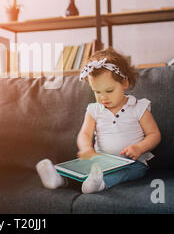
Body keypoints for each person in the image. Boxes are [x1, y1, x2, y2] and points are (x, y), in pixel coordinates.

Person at [36, 47, 161, 194]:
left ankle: (100, 183)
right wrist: (86, 148)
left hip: (132, 163)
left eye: (109, 91)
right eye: (97, 92)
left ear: (124, 83)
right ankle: (59, 179)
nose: (103, 97)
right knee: (84, 169)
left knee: (128, 172)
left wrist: (139, 148)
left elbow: (154, 134)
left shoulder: (138, 107)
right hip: (102, 162)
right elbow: (85, 134)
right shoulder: (94, 110)